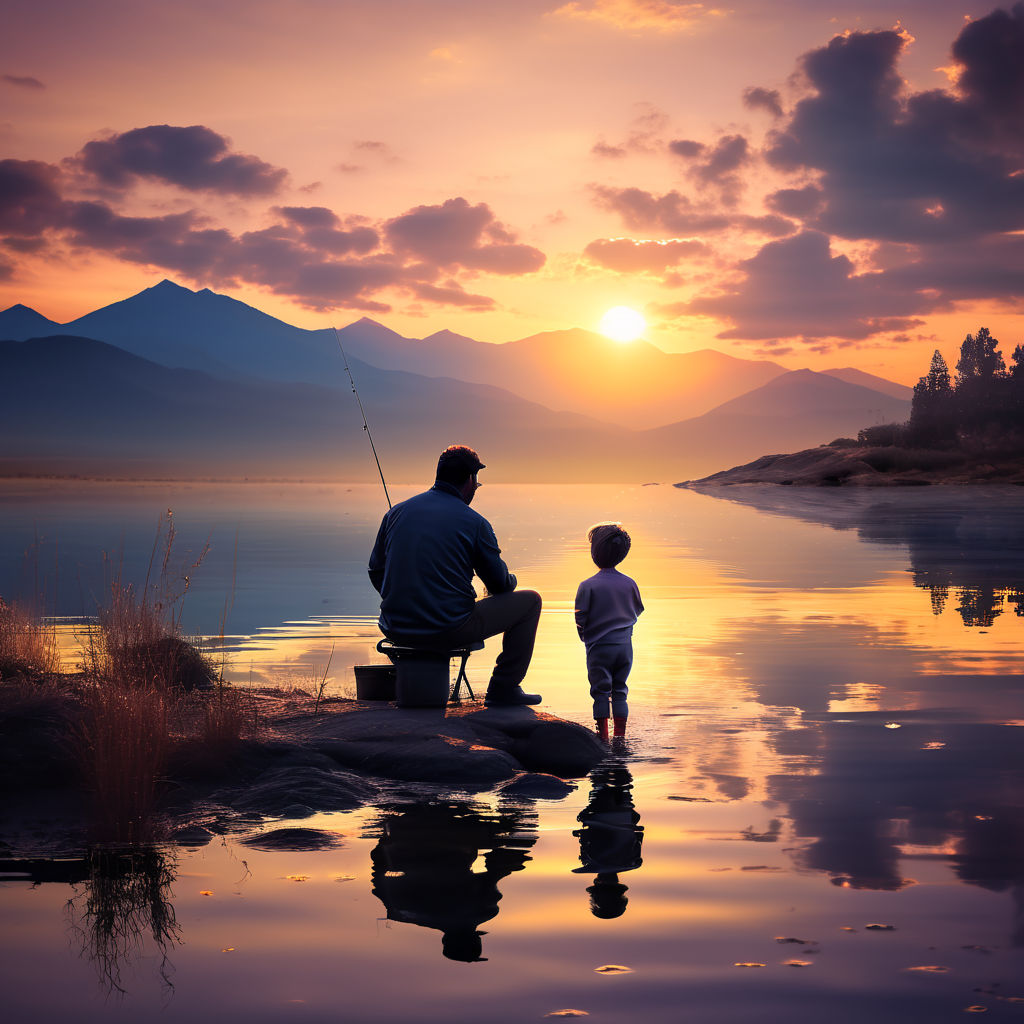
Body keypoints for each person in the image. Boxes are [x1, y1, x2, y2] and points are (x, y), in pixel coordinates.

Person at [368, 444, 542, 706]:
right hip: (448, 628)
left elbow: (376, 570)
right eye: (477, 483)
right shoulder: (475, 522)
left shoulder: (395, 513)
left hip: (396, 627)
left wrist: (407, 596)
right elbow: (500, 585)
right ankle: (504, 688)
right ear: (471, 480)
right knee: (531, 602)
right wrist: (512, 580)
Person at [574, 522, 643, 740]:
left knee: (600, 691)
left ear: (594, 553)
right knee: (620, 689)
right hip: (624, 647)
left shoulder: (588, 585)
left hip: (598, 646)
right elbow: (638, 609)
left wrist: (585, 636)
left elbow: (580, 616)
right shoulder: (630, 583)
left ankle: (602, 737)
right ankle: (620, 737)